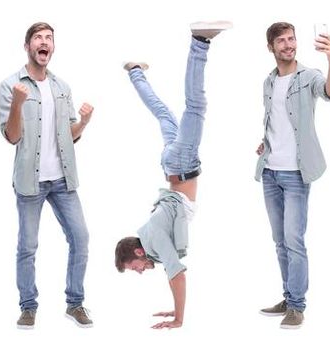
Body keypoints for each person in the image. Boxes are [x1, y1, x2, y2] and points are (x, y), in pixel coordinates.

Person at [113, 21, 229, 330]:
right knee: (164, 114)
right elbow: (171, 271)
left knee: (196, 105)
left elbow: (177, 275)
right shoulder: (149, 236)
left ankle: (200, 41)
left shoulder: (155, 242)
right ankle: (134, 71)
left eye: (135, 267)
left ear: (138, 252)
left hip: (182, 162)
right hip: (170, 166)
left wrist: (178, 318)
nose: (140, 271)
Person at [0, 22, 96, 329]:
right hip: (30, 181)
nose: (44, 43)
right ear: (27, 46)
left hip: (63, 180)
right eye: (38, 38)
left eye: (49, 39)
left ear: (52, 48)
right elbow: (12, 137)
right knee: (27, 247)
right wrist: (17, 102)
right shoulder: (10, 85)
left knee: (80, 238)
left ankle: (75, 303)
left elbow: (70, 134)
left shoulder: (61, 87)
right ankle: (28, 307)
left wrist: (85, 122)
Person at [252, 21, 330, 330]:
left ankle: (297, 307)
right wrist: (266, 143)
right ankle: (288, 297)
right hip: (270, 172)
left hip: (296, 174)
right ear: (271, 47)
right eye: (282, 40)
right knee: (279, 241)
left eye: (292, 39)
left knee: (294, 239)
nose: (289, 44)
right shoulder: (268, 82)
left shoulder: (310, 76)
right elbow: (275, 121)